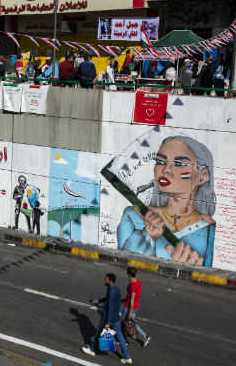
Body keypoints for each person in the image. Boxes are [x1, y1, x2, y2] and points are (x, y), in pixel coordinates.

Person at [117, 136, 216, 266]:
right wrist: (147, 237)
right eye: (161, 162)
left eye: (180, 164)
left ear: (203, 176)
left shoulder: (208, 227)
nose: (165, 170)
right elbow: (124, 266)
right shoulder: (133, 215)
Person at [81, 273, 132, 364]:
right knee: (120, 337)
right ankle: (127, 357)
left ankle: (92, 350)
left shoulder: (111, 291)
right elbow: (108, 299)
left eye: (106, 280)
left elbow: (110, 307)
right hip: (116, 317)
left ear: (110, 281)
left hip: (108, 317)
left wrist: (107, 322)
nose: (104, 281)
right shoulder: (116, 289)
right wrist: (99, 301)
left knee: (98, 333)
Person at [122, 267, 151, 347]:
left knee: (122, 323)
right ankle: (145, 336)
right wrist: (124, 299)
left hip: (129, 307)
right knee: (131, 323)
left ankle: (124, 340)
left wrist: (130, 312)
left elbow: (132, 298)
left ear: (129, 274)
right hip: (135, 307)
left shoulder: (132, 285)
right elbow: (132, 296)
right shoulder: (138, 282)